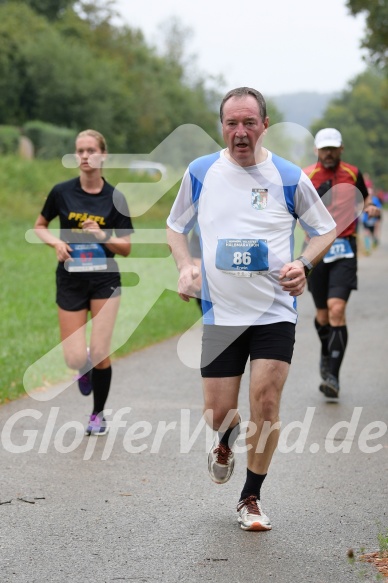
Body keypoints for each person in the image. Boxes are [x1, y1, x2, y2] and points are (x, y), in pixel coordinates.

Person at [166, 87, 336, 531]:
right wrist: (186, 266)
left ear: (264, 124)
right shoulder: (201, 171)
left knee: (266, 400)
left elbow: (324, 229)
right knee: (217, 412)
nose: (240, 132)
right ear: (221, 126)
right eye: (231, 124)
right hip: (221, 312)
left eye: (249, 123)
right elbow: (174, 226)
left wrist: (304, 262)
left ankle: (251, 497)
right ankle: (225, 436)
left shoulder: (287, 175)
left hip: (274, 310)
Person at [34, 129, 134, 435]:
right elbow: (40, 226)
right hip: (71, 280)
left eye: (91, 150)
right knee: (76, 356)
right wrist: (55, 243)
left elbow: (126, 248)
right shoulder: (61, 192)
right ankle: (84, 367)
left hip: (105, 279)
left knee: (101, 351)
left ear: (103, 155)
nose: (85, 156)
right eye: (80, 151)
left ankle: (98, 415)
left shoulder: (116, 197)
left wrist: (102, 235)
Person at [303, 128, 380, 399]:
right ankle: (326, 354)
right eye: (324, 149)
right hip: (315, 251)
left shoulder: (352, 172)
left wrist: (370, 206)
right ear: (316, 151)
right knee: (322, 315)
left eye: (333, 148)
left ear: (341, 149)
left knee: (337, 310)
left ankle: (333, 376)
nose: (328, 153)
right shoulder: (306, 176)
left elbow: (365, 196)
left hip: (345, 247)